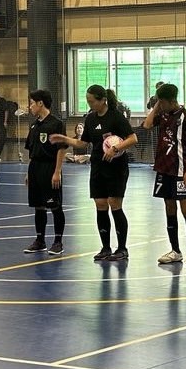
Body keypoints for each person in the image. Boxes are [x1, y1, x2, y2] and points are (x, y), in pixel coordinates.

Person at [50, 84, 137, 261]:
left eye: (92, 101)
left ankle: (122, 249)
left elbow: (133, 138)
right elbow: (83, 143)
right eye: (87, 101)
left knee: (114, 203)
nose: (89, 104)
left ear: (103, 100)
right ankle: (105, 248)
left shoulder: (116, 117)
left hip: (116, 167)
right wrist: (65, 139)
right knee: (100, 204)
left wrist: (116, 148)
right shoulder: (90, 119)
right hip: (98, 166)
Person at [143, 83, 186, 267]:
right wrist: (157, 106)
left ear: (172, 100)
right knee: (169, 208)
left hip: (181, 170)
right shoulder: (162, 114)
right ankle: (175, 250)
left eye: (162, 102)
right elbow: (147, 125)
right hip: (164, 169)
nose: (160, 105)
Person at [23, 89, 67, 255]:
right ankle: (40, 240)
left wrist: (57, 171)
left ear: (40, 103)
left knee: (55, 205)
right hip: (35, 168)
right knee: (38, 206)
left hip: (50, 167)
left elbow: (61, 149)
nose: (30, 107)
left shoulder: (56, 124)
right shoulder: (34, 125)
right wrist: (29, 172)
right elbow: (32, 150)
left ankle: (58, 242)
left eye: (32, 103)